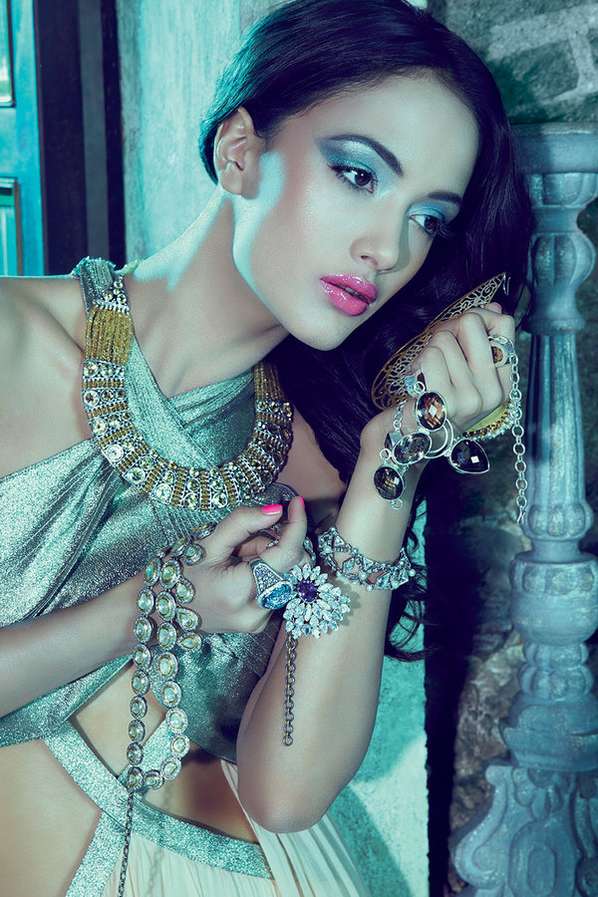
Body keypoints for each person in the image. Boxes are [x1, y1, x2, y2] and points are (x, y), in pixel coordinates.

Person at [0, 1, 533, 895]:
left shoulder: (315, 455)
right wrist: (154, 606)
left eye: (427, 219)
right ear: (240, 151)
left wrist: (393, 463)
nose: (386, 247)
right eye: (358, 174)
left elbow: (287, 792)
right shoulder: (14, 343)